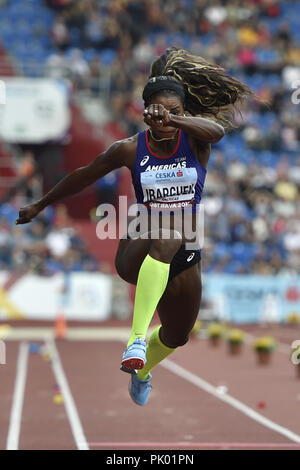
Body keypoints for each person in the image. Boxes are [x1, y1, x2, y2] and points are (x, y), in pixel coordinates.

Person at [15, 48, 254, 406]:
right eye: (160, 111)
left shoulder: (196, 141)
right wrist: (39, 204)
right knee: (169, 228)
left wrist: (176, 120)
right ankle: (137, 338)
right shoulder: (129, 149)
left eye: (176, 111)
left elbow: (217, 130)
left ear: (184, 113)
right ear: (146, 115)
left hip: (185, 251)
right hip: (138, 245)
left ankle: (141, 371)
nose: (167, 118)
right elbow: (82, 177)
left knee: (178, 334)